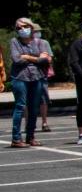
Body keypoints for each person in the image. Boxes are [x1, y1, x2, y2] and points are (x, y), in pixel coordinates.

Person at [9, 18, 49, 147]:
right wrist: (37, 58)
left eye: (25, 26)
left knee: (34, 108)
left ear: (31, 27)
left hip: (37, 77)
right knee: (20, 106)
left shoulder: (41, 42)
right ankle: (16, 138)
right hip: (20, 77)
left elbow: (45, 60)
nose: (22, 29)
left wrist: (26, 57)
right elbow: (17, 60)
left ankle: (30, 137)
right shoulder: (14, 42)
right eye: (19, 28)